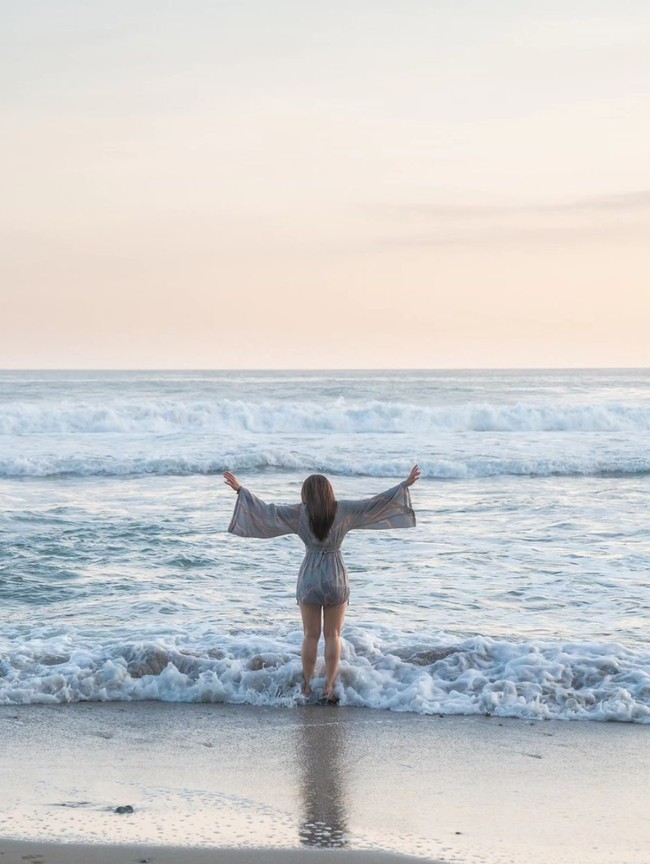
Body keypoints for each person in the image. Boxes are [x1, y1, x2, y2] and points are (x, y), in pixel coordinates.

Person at [224, 466, 420, 703]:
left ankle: (306, 686)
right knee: (333, 635)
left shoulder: (298, 513)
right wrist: (404, 485)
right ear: (329, 492)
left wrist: (241, 491)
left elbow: (267, 512)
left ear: (306, 494)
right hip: (335, 575)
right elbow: (375, 504)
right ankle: (328, 686)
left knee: (310, 635)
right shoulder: (344, 510)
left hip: (310, 576)